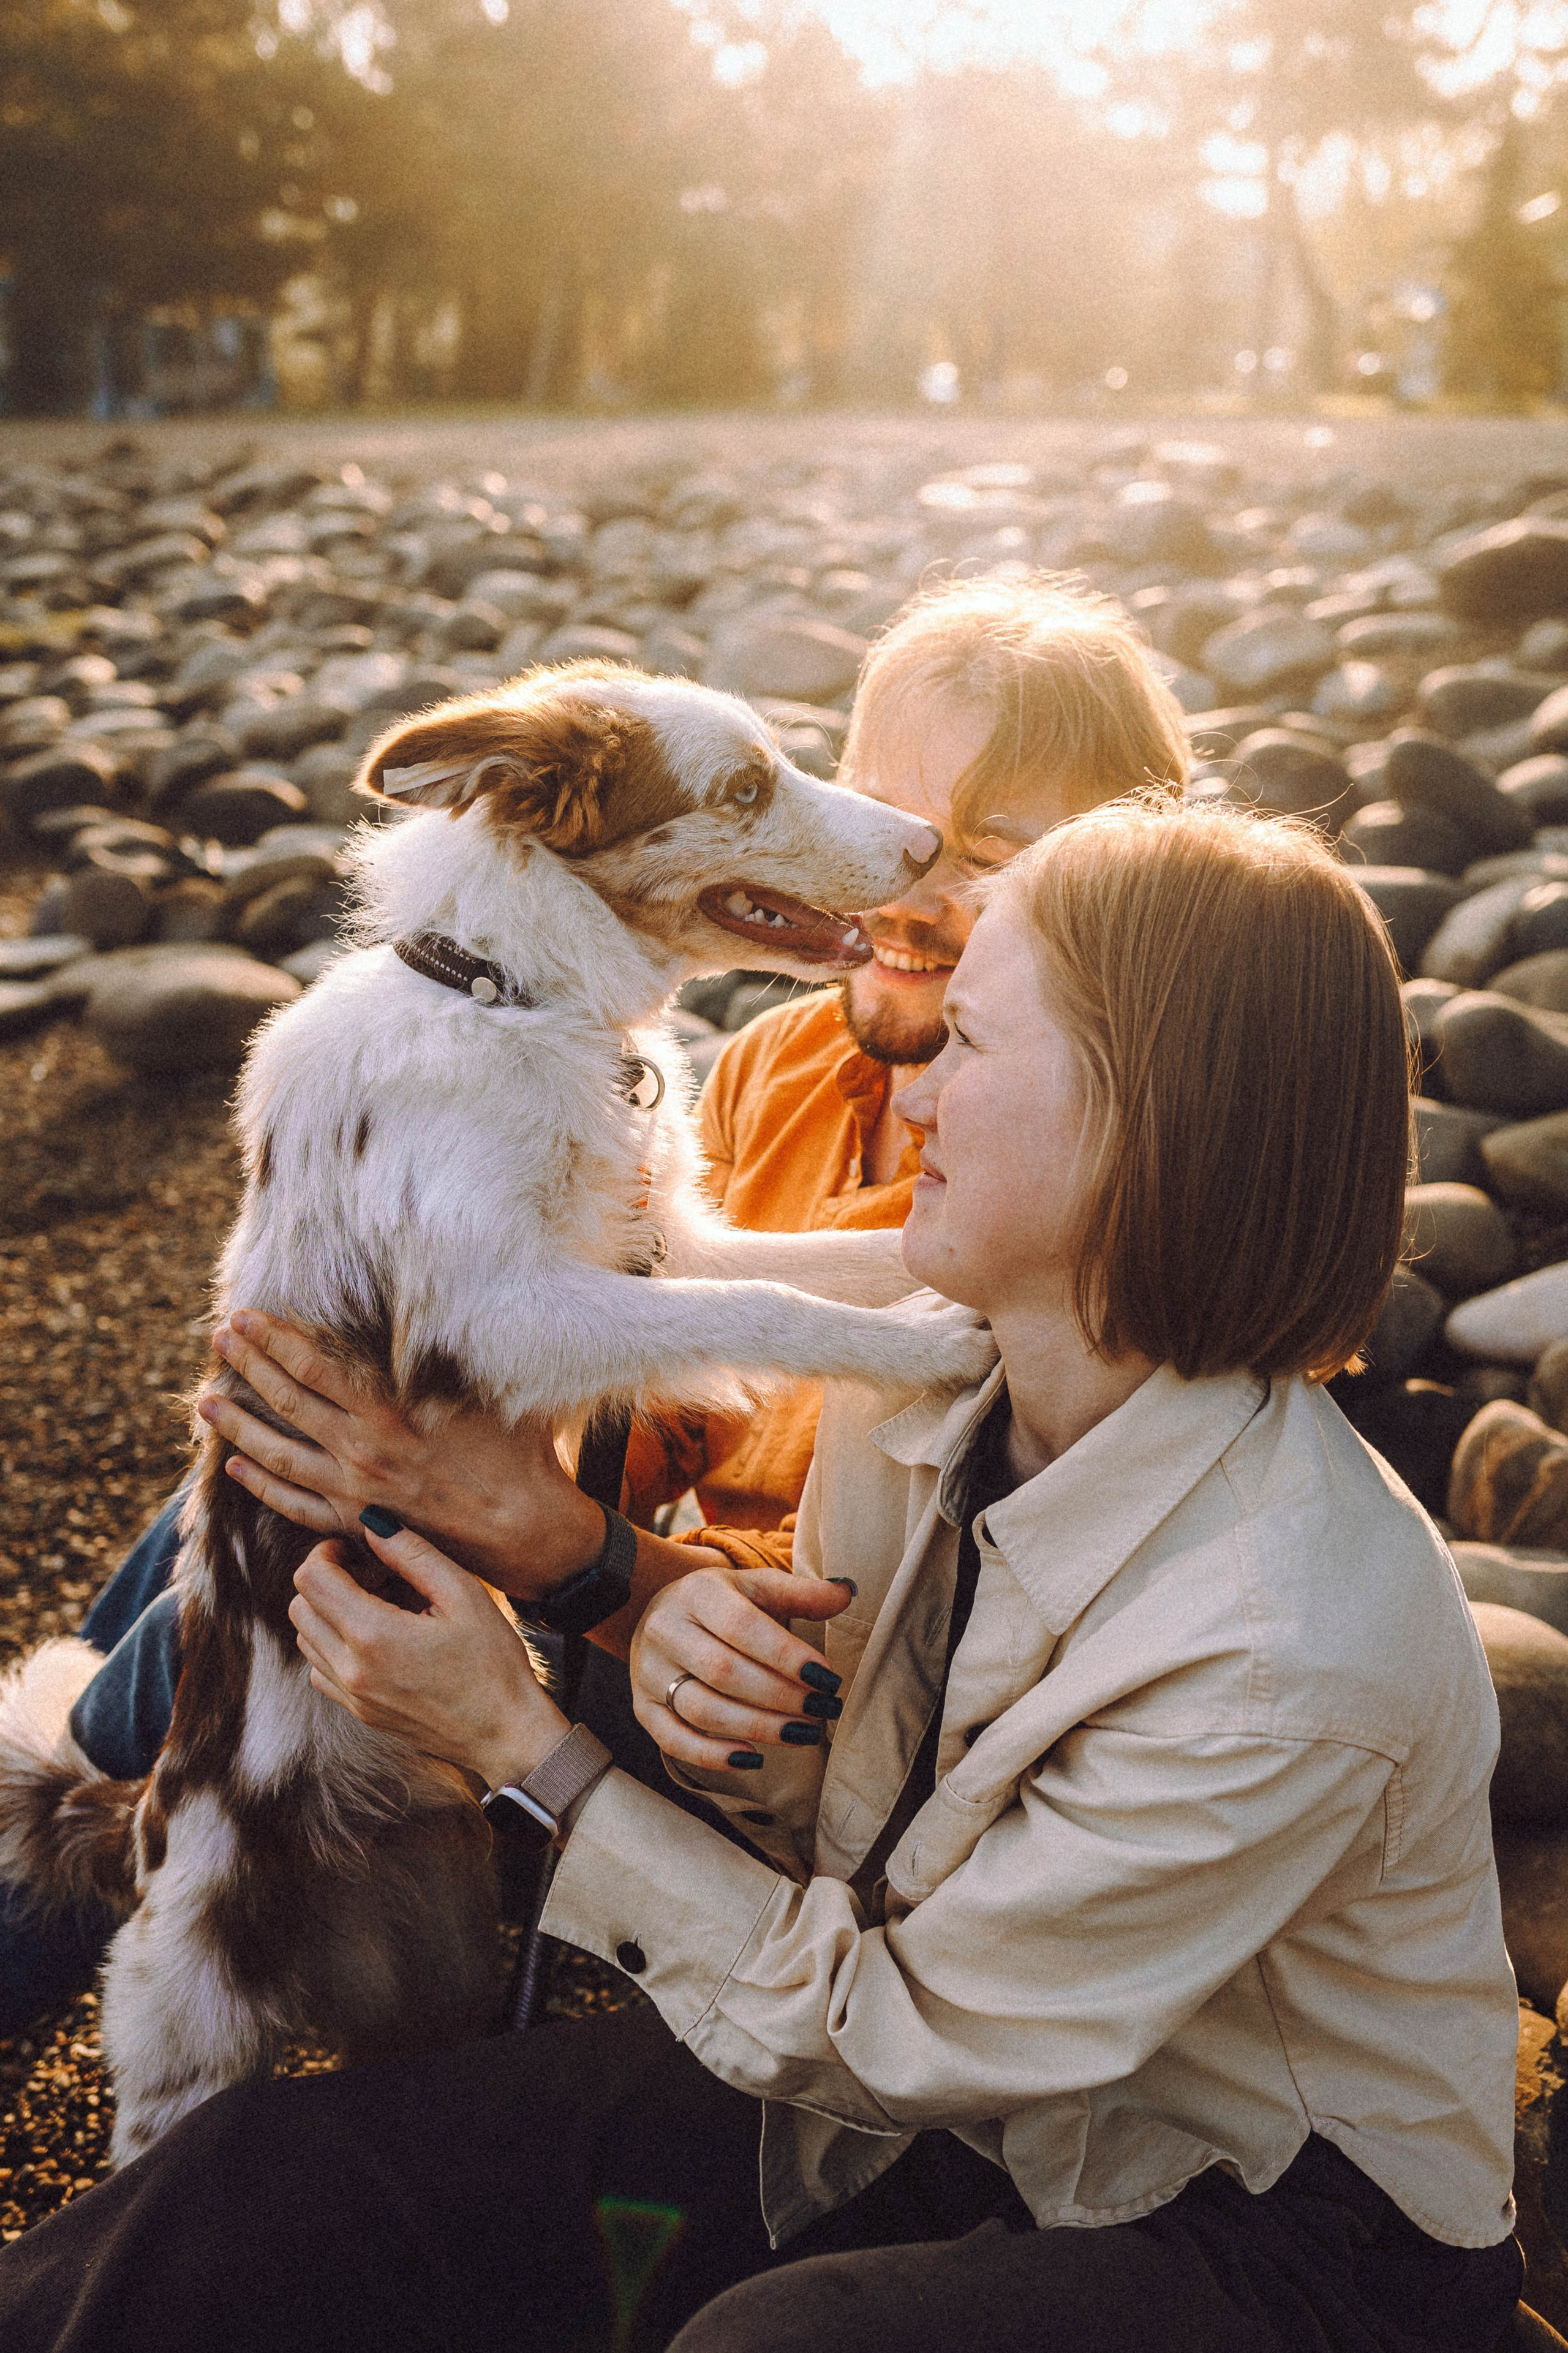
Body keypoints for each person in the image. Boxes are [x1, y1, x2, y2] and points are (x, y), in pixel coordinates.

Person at [0, 798, 1524, 2353]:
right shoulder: (919, 1397)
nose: (904, 1084)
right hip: (920, 2095)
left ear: (1151, 1119)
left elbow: (900, 2028)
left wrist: (521, 1742)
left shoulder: (1284, 1650)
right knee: (261, 2190)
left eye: (968, 1046)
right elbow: (848, 1857)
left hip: (1263, 2228)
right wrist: (660, 1636)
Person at [0, 574, 1191, 2026]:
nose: (893, 864)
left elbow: (918, 1654)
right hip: (604, 1582)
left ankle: (95, 1835)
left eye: (985, 851)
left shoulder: (1076, 1191)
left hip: (740, 1699)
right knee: (249, 1476)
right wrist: (431, 1438)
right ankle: (91, 1814)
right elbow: (648, 1376)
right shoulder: (775, 1066)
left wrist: (567, 1549)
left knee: (245, 1569)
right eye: (878, 802)